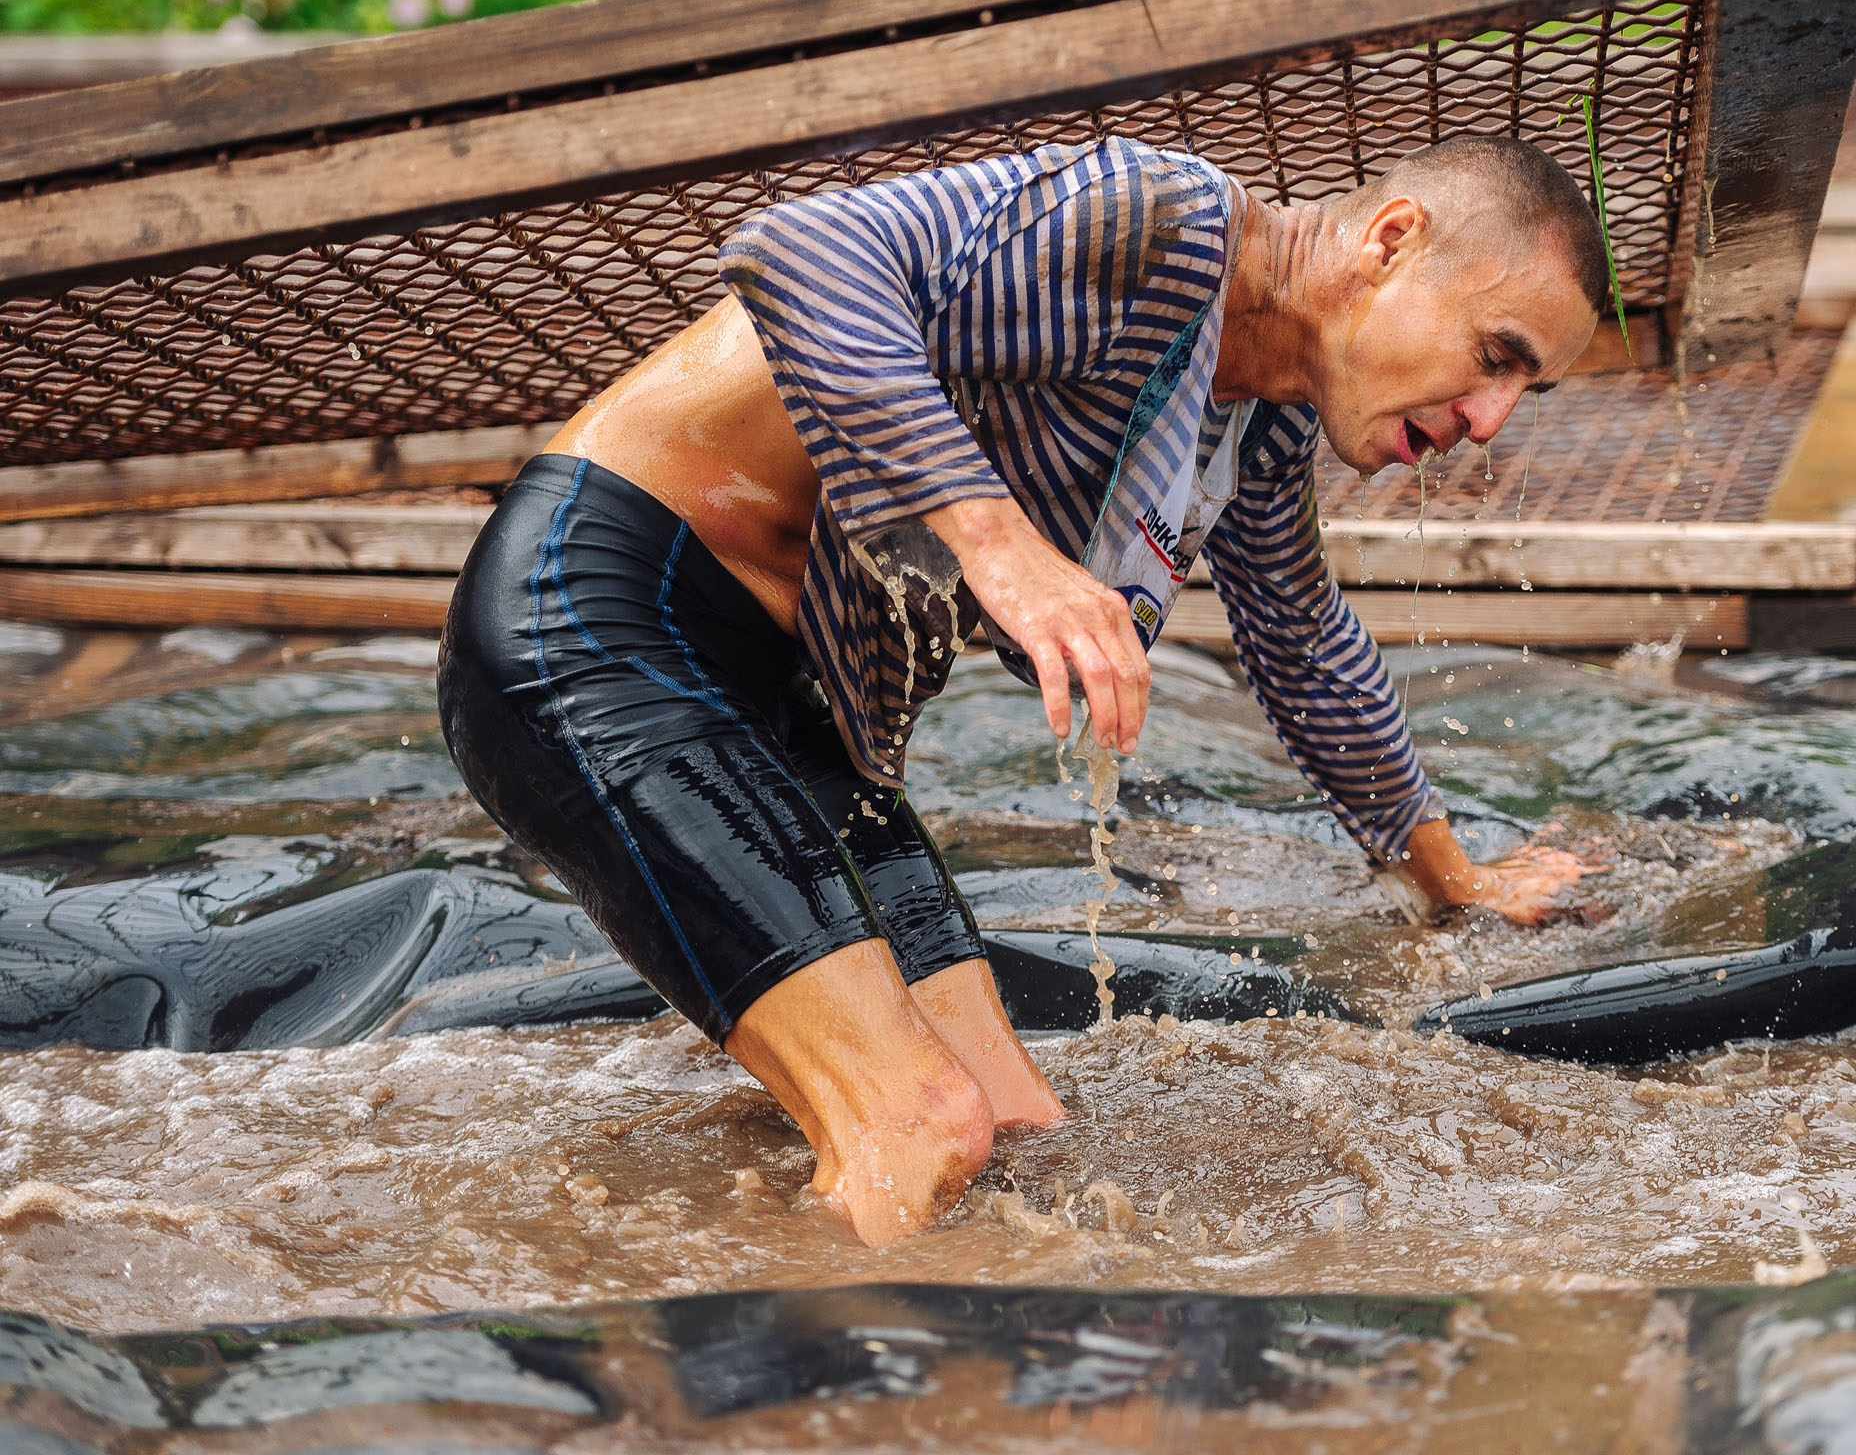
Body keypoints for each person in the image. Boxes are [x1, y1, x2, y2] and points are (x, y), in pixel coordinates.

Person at [438, 132, 1606, 1245]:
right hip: (601, 621)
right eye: (1495, 352)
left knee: (1009, 1125)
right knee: (921, 1124)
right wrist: (999, 544)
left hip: (796, 712)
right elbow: (795, 250)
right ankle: (816, 1421)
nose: (1485, 420)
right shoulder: (1164, 222)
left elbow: (1302, 640)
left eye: (1525, 392)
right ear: (1391, 238)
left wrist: (1456, 880)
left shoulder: (1254, 431)